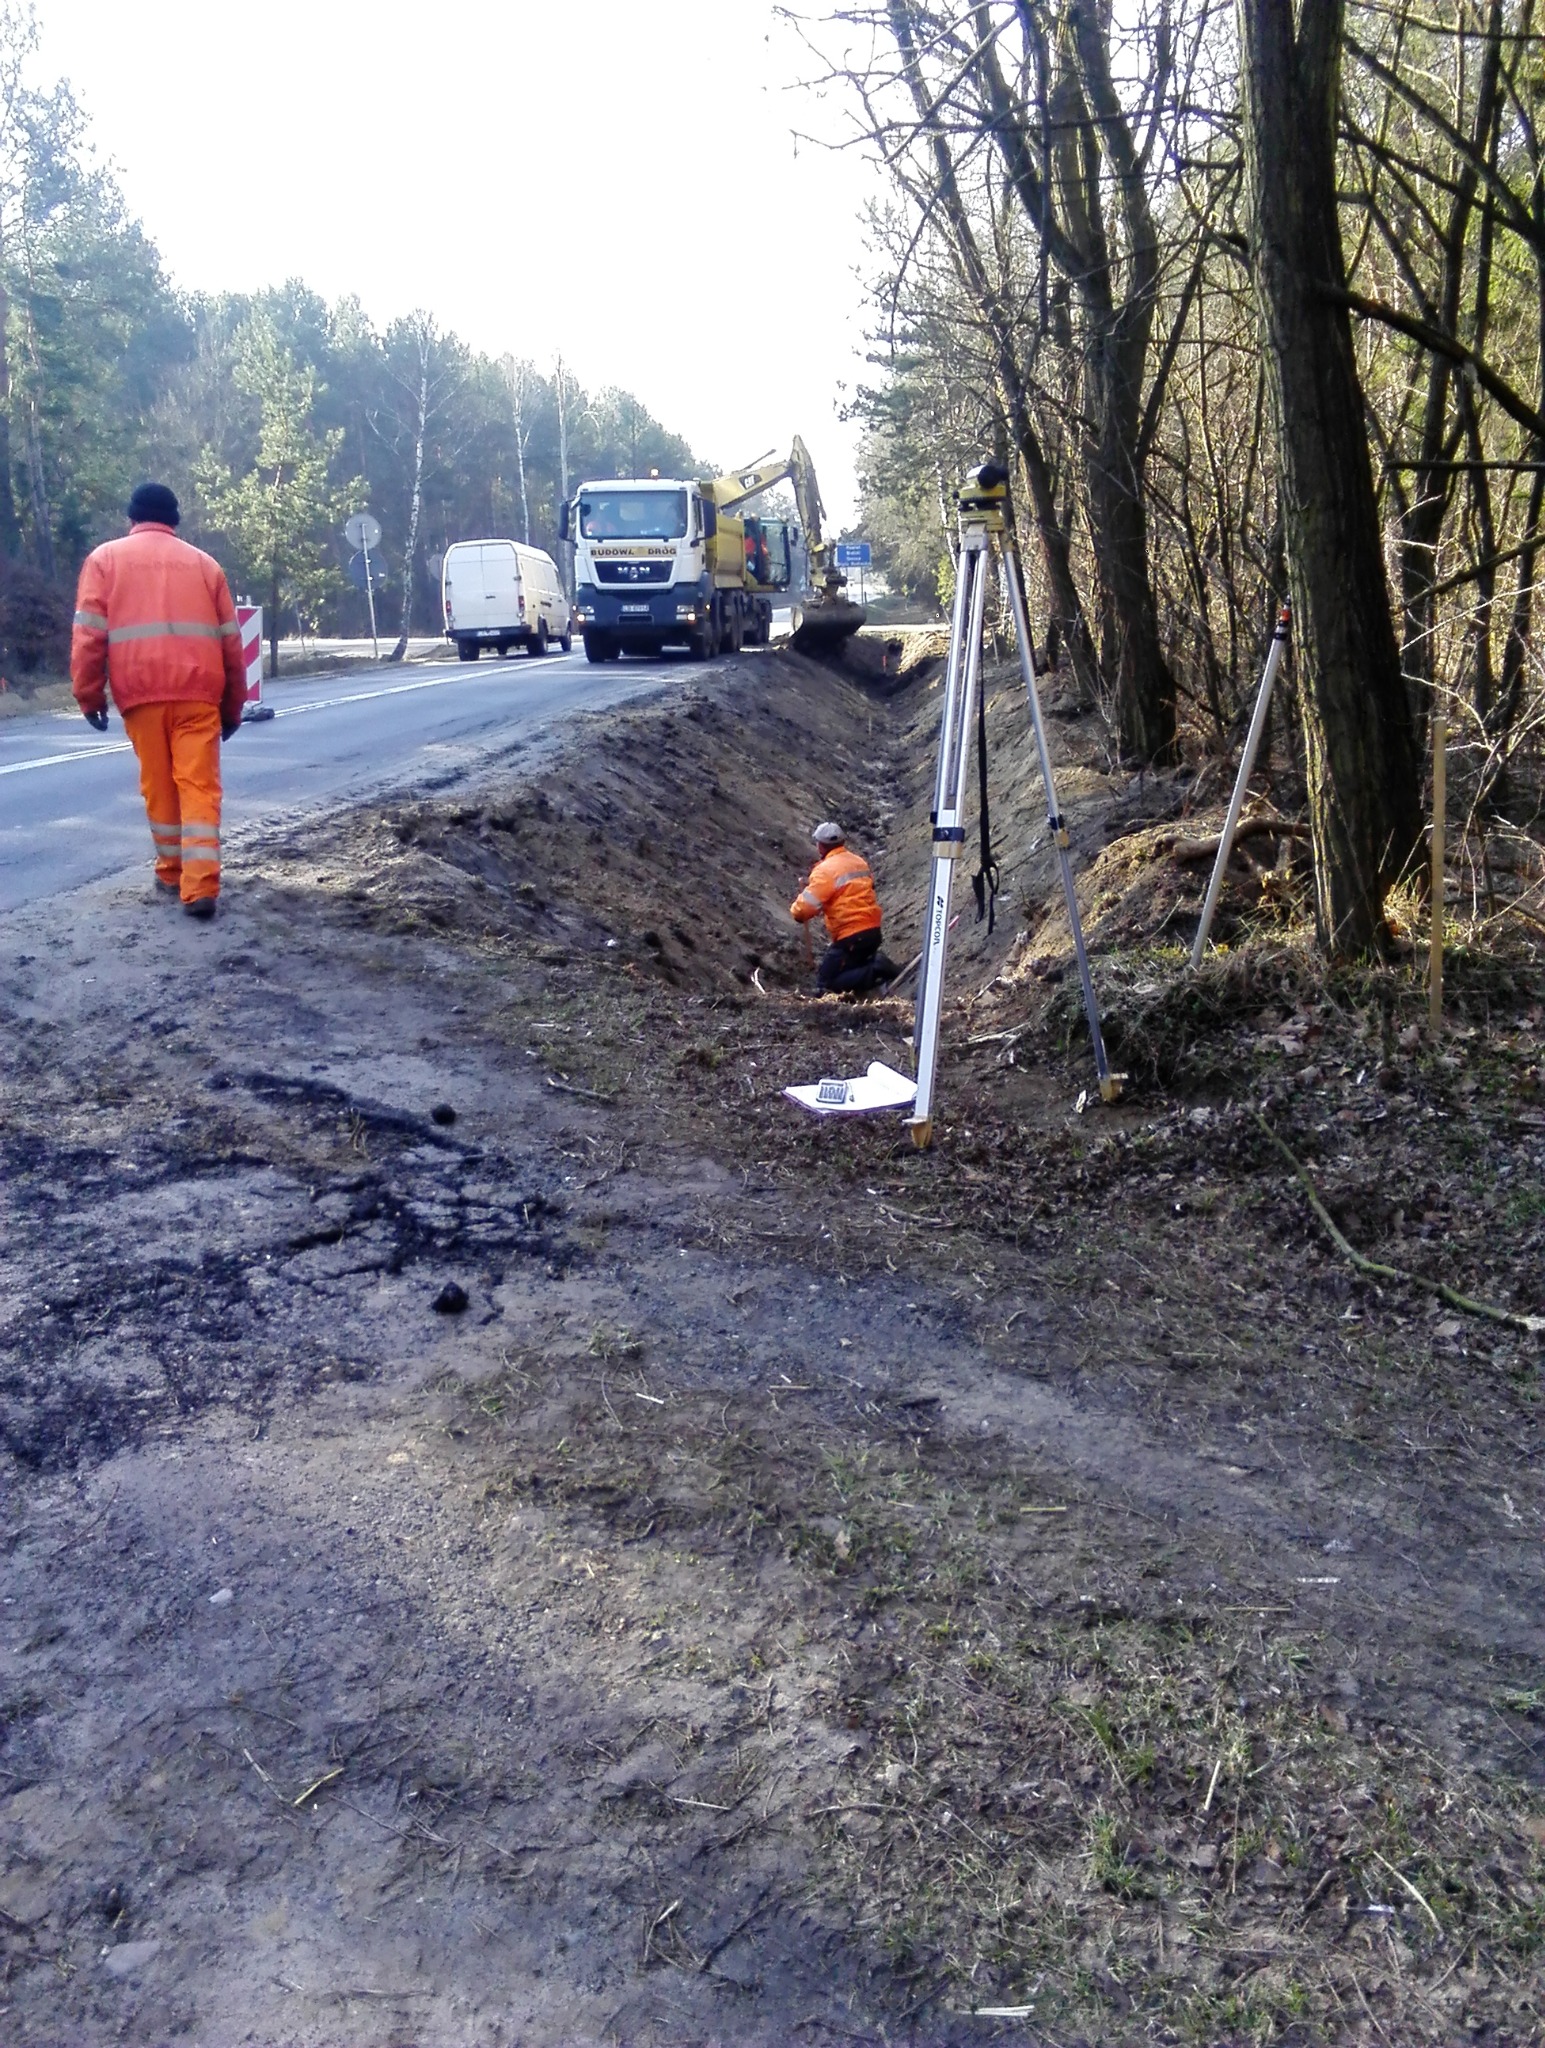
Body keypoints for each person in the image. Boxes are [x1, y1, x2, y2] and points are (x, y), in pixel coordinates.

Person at [71, 483, 248, 921]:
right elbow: (232, 646)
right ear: (175, 522)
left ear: (132, 518)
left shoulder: (104, 561)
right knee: (198, 787)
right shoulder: (206, 566)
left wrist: (89, 695)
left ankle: (171, 872)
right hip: (199, 694)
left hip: (140, 694)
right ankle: (200, 885)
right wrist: (233, 708)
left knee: (159, 785)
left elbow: (88, 638)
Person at [790, 820, 897, 994]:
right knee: (846, 972)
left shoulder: (825, 870)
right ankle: (871, 979)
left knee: (826, 984)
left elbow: (804, 910)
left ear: (821, 846)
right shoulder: (858, 862)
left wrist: (796, 909)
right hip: (872, 931)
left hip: (851, 937)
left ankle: (877, 968)